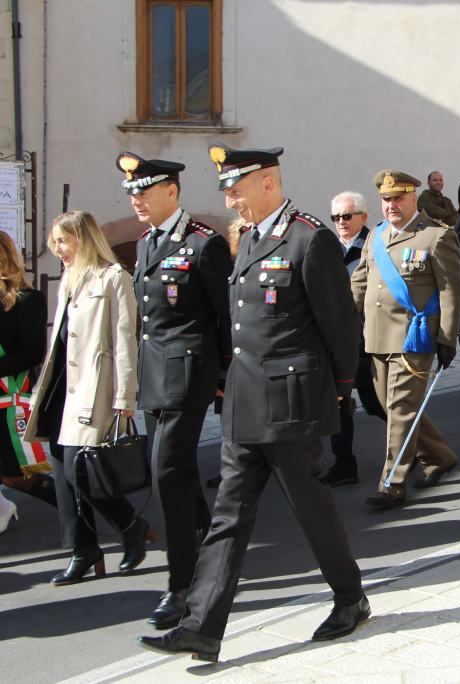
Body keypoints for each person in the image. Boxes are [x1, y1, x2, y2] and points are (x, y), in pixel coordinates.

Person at [138, 143, 369, 662]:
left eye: (237, 189)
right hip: (245, 403)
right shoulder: (247, 241)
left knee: (310, 507)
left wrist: (340, 388)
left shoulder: (311, 239)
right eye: (227, 190)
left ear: (268, 182)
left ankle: (350, 597)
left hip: (292, 401)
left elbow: (338, 326)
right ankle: (200, 626)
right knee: (228, 516)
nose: (231, 199)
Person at [116, 152, 233, 629]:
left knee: (166, 472)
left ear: (171, 191)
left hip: (188, 374)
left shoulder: (203, 245)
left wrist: (226, 378)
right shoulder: (146, 243)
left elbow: (226, 318)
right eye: (132, 194)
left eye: (144, 191)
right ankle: (211, 552)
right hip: (154, 376)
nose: (137, 200)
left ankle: (181, 584)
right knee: (177, 471)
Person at [24, 211, 151, 584]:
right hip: (62, 388)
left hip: (95, 387)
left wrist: (125, 396)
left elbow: (124, 340)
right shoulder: (68, 278)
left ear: (84, 238)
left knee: (84, 470)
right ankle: (85, 548)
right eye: (54, 243)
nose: (58, 250)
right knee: (64, 473)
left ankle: (129, 526)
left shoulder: (115, 278)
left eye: (63, 241)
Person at [351, 170, 460, 510]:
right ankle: (440, 456)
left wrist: (447, 337)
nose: (391, 205)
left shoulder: (435, 235)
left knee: (400, 409)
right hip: (377, 336)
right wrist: (339, 318)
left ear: (413, 197)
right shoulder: (376, 236)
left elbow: (451, 289)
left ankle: (391, 483)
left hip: (413, 339)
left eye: (398, 198)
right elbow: (361, 280)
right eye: (386, 200)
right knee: (391, 406)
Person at [321, 191, 386, 486]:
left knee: (377, 404)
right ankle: (344, 463)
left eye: (347, 216)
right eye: (336, 217)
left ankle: (419, 448)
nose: (341, 222)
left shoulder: (377, 244)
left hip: (367, 340)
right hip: (338, 342)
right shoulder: (327, 248)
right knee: (338, 405)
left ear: (363, 216)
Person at [0, 230, 54, 529]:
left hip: (8, 400)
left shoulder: (26, 299)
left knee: (17, 475)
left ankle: (82, 510)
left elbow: (33, 352)